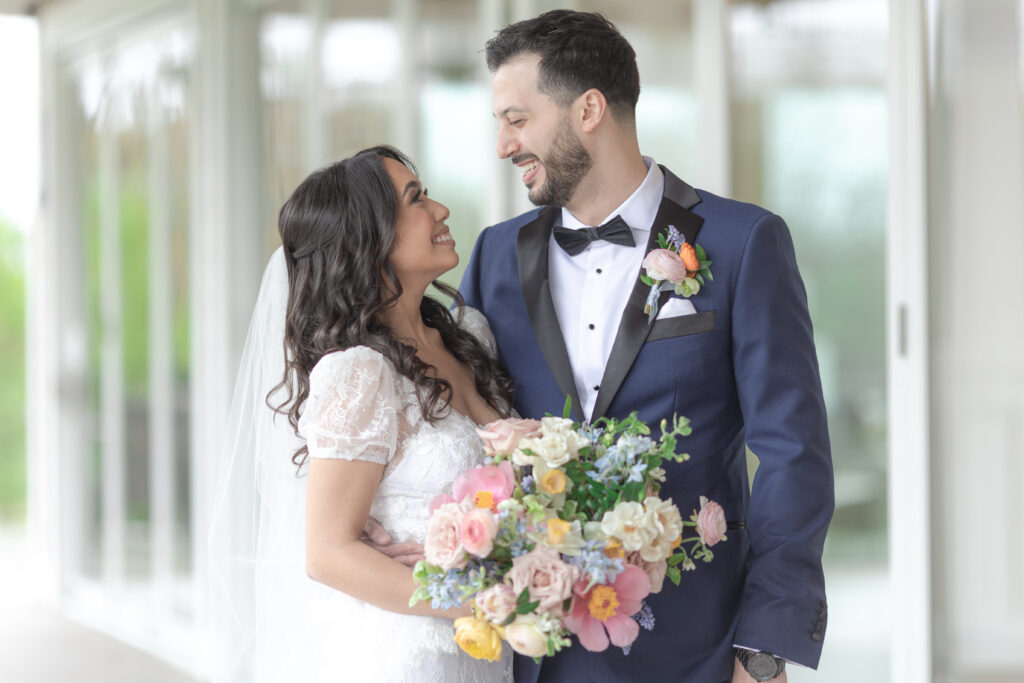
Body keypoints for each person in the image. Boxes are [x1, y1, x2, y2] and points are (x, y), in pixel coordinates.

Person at [459, 11, 834, 683]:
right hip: (536, 652)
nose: (503, 144)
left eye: (516, 118)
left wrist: (764, 645)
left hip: (699, 649)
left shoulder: (744, 242)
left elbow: (793, 451)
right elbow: (464, 430)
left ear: (589, 109)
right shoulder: (493, 257)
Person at [208, 146, 514, 682]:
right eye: (416, 200)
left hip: (484, 651)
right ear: (369, 241)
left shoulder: (468, 336)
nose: (440, 209)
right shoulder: (361, 373)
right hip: (414, 655)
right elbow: (327, 553)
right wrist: (483, 599)